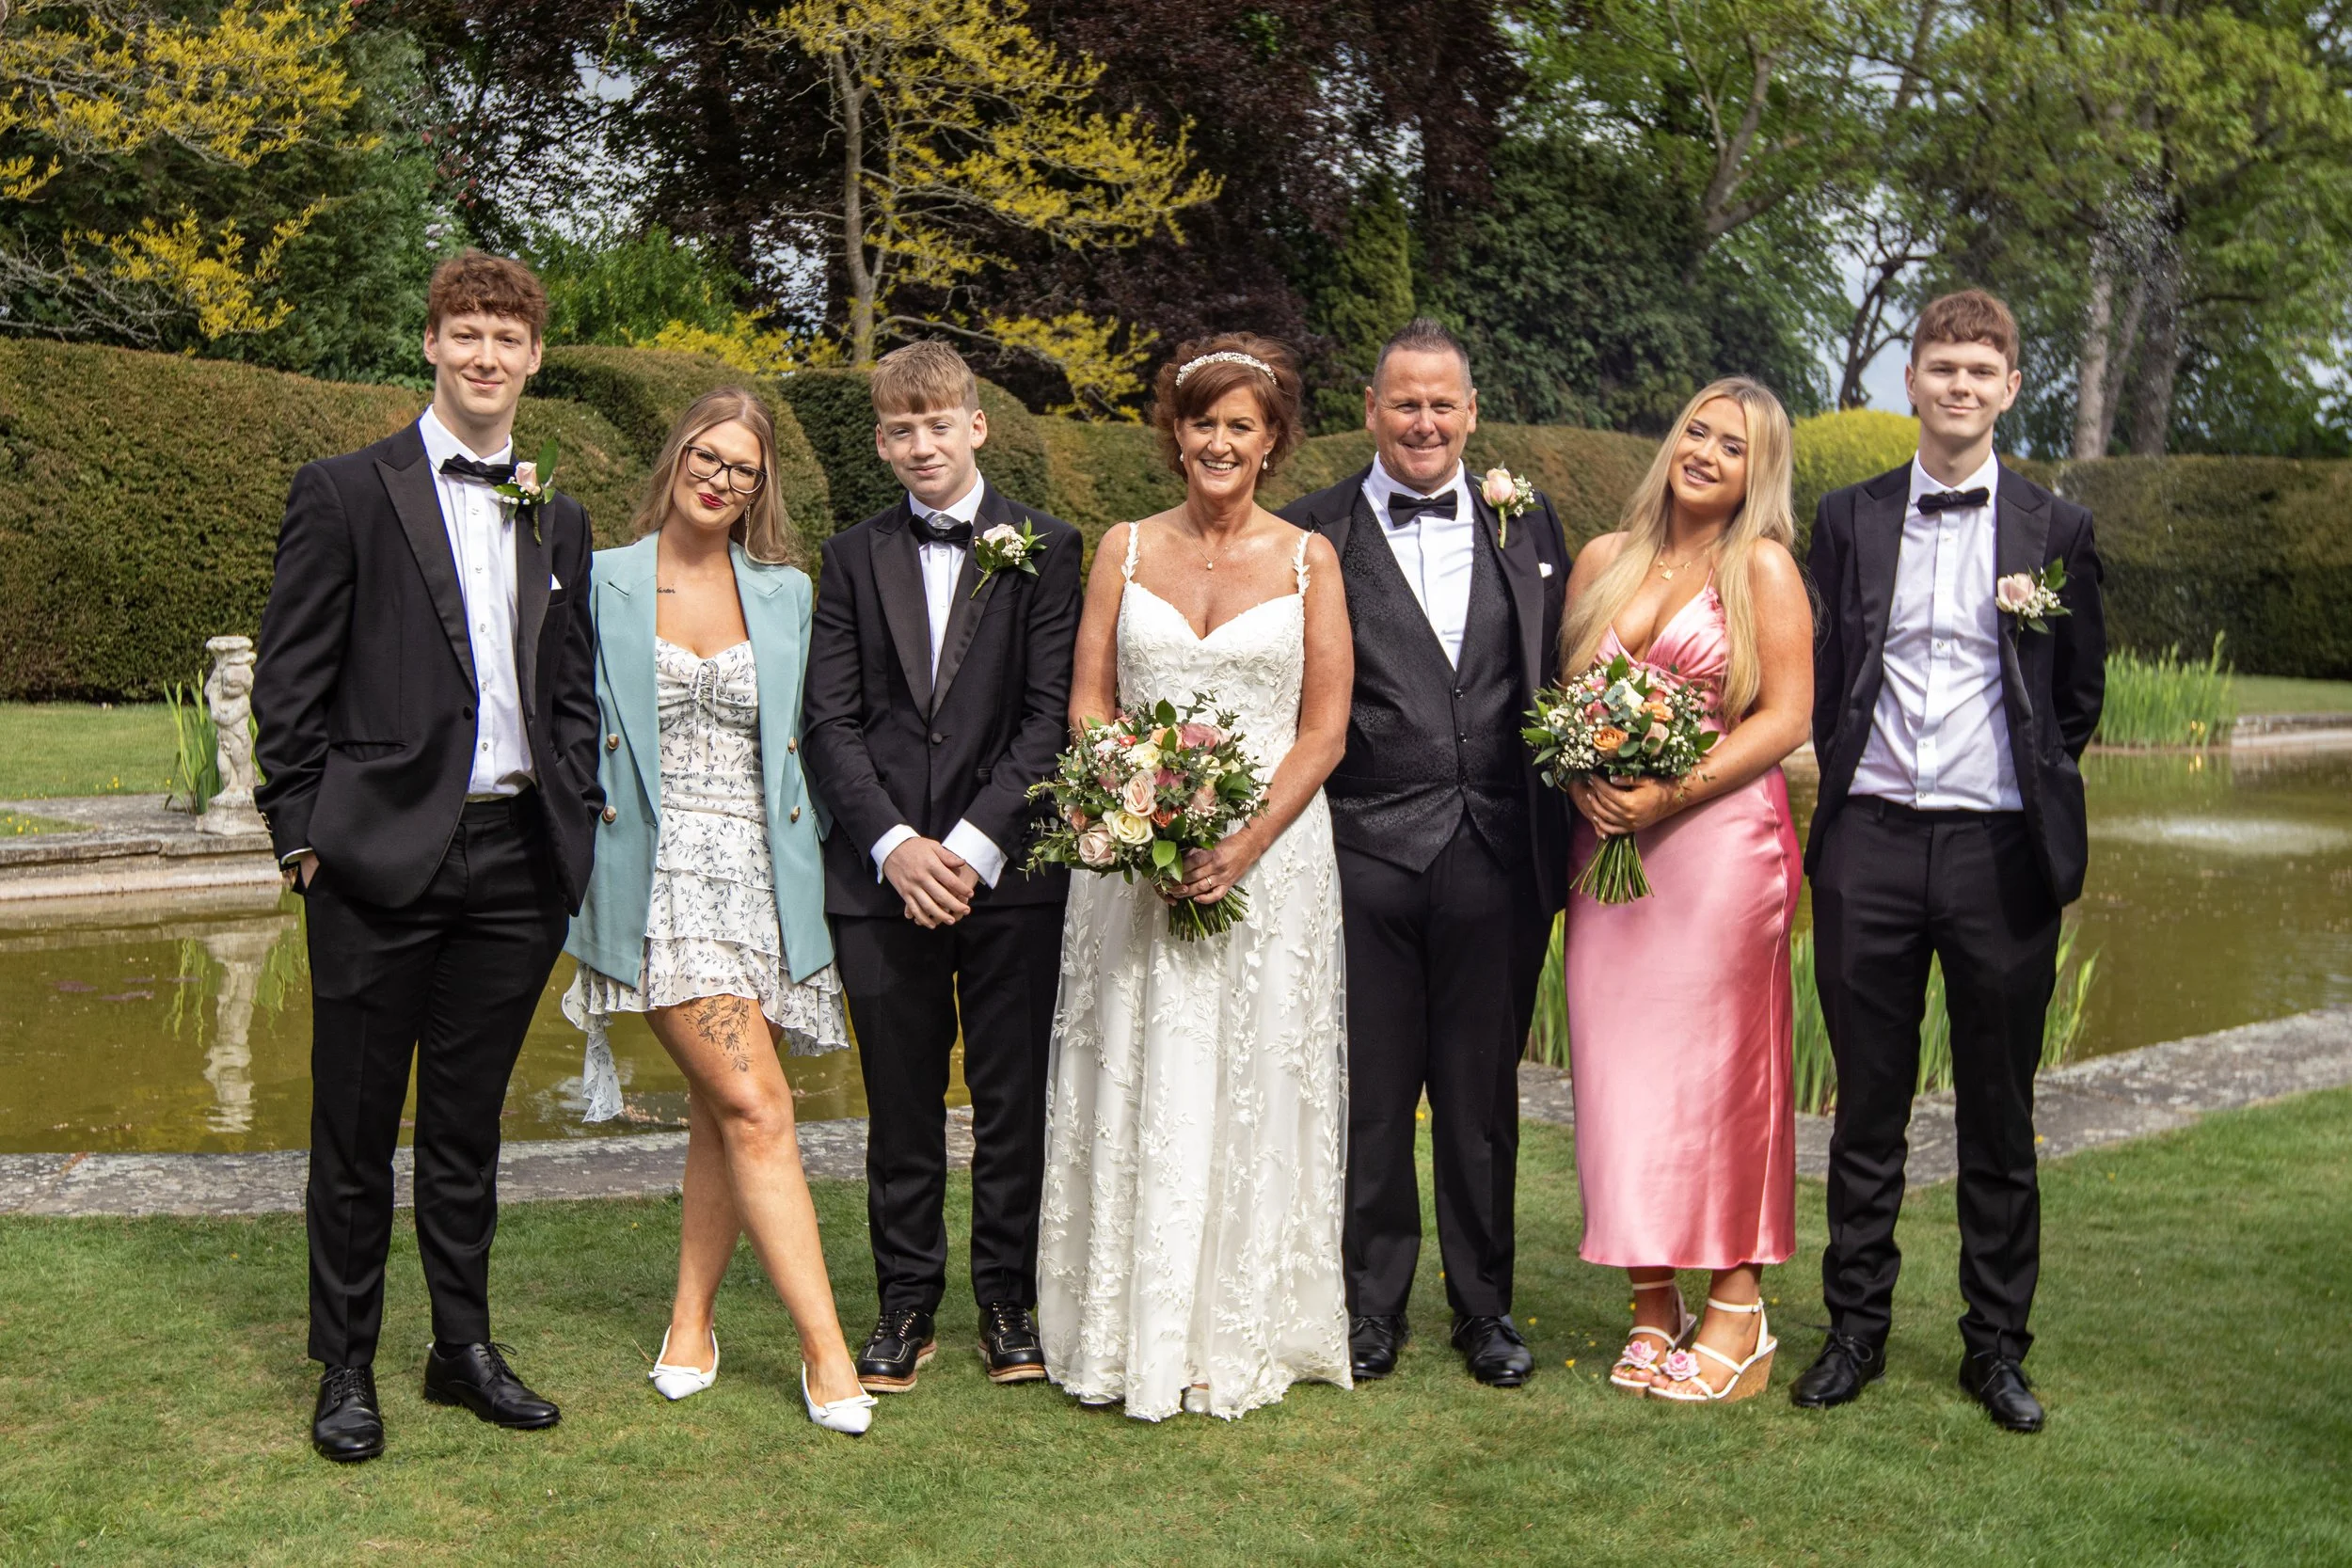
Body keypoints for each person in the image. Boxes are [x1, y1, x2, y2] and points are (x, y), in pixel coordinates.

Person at [253, 251, 604, 1464]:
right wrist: (302, 836)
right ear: (430, 345)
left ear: (535, 357)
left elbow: (569, 688)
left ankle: (460, 1348)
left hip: (517, 865)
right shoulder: (345, 490)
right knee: (354, 1128)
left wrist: (571, 825)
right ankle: (345, 1363)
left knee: (467, 1126)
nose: (486, 356)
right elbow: (290, 681)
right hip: (373, 861)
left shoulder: (555, 511)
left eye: (508, 337)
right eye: (466, 333)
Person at [1796, 289, 2106, 1433]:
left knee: (1998, 1112)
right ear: (1910, 382)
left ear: (2010, 386)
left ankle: (1995, 1349)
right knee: (1866, 1108)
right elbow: (1827, 669)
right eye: (1941, 366)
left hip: (1997, 853)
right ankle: (1854, 1333)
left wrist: (2012, 788)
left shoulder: (2055, 532)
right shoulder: (1848, 517)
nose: (1959, 386)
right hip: (1868, 843)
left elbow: (2074, 701)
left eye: (1981, 369)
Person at [1038, 333, 1354, 1421]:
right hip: (1133, 862)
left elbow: (1322, 731)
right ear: (1174, 433)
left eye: (1240, 425)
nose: (1218, 442)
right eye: (1201, 421)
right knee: (1137, 1071)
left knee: (1251, 1076)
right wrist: (1134, 803)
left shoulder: (1311, 558)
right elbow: (1089, 699)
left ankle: (1235, 1328)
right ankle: (1122, 1331)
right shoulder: (1122, 548)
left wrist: (1240, 841)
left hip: (1270, 861)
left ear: (1271, 443)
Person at [561, 388, 875, 1436]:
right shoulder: (601, 578)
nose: (720, 478)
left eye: (742, 468)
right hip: (653, 871)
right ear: (677, 454)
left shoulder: (786, 592)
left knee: (722, 1112)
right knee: (758, 1106)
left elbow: (818, 734)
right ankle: (825, 1349)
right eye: (707, 455)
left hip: (767, 875)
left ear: (759, 485)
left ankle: (690, 1320)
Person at [1278, 319, 1572, 1388]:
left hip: (1498, 849)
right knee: (1369, 1089)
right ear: (1369, 409)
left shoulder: (1526, 520)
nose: (1424, 421)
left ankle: (1485, 1308)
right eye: (1405, 401)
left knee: (1480, 1093)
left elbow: (1563, 665)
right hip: (1360, 851)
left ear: (1472, 413)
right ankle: (1368, 1305)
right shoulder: (1308, 534)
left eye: (1443, 403)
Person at [800, 341, 1084, 1394]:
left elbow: (1050, 716)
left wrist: (964, 847)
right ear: (880, 442)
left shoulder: (1050, 549)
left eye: (937, 423)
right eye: (899, 429)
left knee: (1014, 1101)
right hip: (880, 882)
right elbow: (828, 720)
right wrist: (896, 846)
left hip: (1010, 879)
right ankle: (905, 1300)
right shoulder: (849, 558)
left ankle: (1008, 1299)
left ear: (976, 425)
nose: (920, 443)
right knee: (900, 1104)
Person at [1556, 378, 1813, 1403]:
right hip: (1605, 852)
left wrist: (1669, 792)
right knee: (1620, 1075)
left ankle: (1737, 1312)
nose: (1705, 452)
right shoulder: (1599, 562)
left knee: (1721, 1078)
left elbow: (1785, 714)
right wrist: (1584, 770)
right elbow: (1569, 700)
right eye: (1696, 432)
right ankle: (1652, 1304)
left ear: (1759, 472)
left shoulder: (1761, 567)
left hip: (1717, 855)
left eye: (1733, 445)